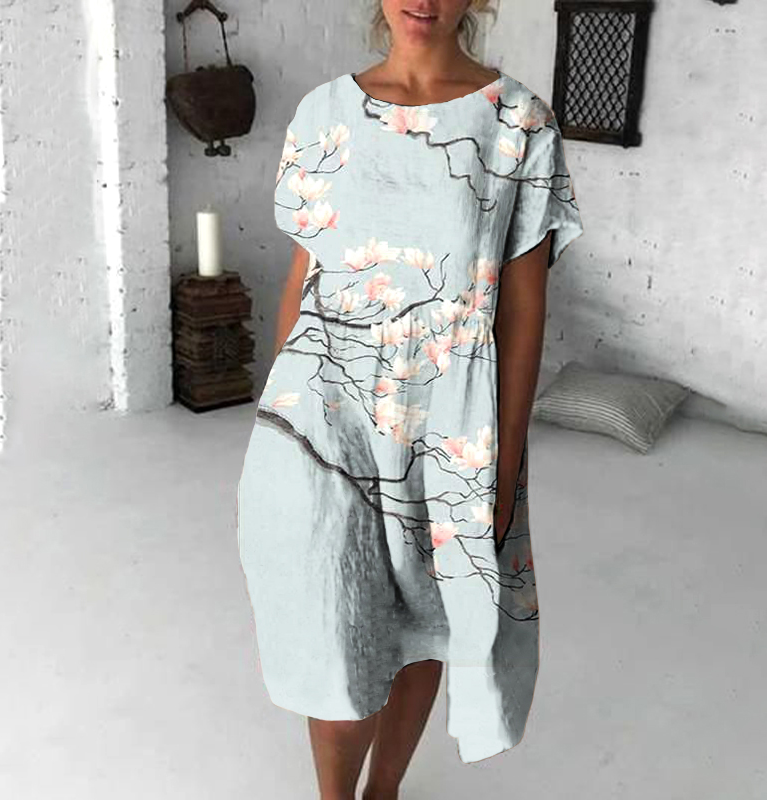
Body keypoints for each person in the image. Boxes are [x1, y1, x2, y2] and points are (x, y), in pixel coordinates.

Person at [237, 1, 584, 797]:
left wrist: (503, 462)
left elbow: (523, 308)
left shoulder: (518, 123)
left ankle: (383, 790)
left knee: (425, 618)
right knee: (333, 617)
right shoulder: (323, 113)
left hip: (447, 422)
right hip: (319, 411)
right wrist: (276, 421)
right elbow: (302, 277)